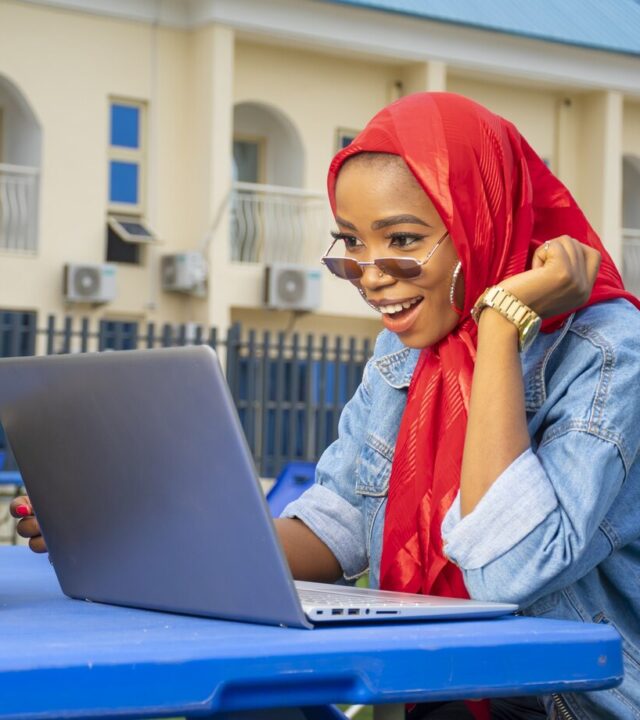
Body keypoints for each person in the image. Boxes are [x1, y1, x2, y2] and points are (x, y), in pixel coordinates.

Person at [11, 92, 640, 719]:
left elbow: (512, 572)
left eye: (400, 239)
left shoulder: (606, 351)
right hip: (448, 688)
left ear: (480, 218)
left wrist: (503, 323)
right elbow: (338, 522)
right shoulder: (408, 354)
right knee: (250, 708)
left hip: (572, 703)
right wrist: (128, 530)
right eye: (351, 243)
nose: (370, 274)